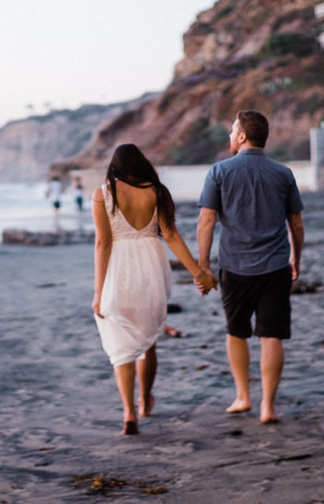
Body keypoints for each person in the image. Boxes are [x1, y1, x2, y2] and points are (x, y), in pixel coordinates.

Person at [91, 144, 216, 435]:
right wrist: (198, 272)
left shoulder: (103, 194)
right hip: (150, 269)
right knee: (148, 341)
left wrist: (98, 292)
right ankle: (145, 400)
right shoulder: (157, 192)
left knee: (121, 346)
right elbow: (170, 235)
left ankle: (129, 412)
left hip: (118, 271)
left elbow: (103, 243)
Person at [196, 110, 305, 424]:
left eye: (232, 130)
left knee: (236, 331)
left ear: (242, 136)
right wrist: (296, 257)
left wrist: (203, 265)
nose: (230, 136)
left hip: (235, 266)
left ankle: (243, 396)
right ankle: (267, 407)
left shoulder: (219, 172)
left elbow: (206, 221)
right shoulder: (283, 173)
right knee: (271, 335)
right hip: (275, 266)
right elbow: (296, 224)